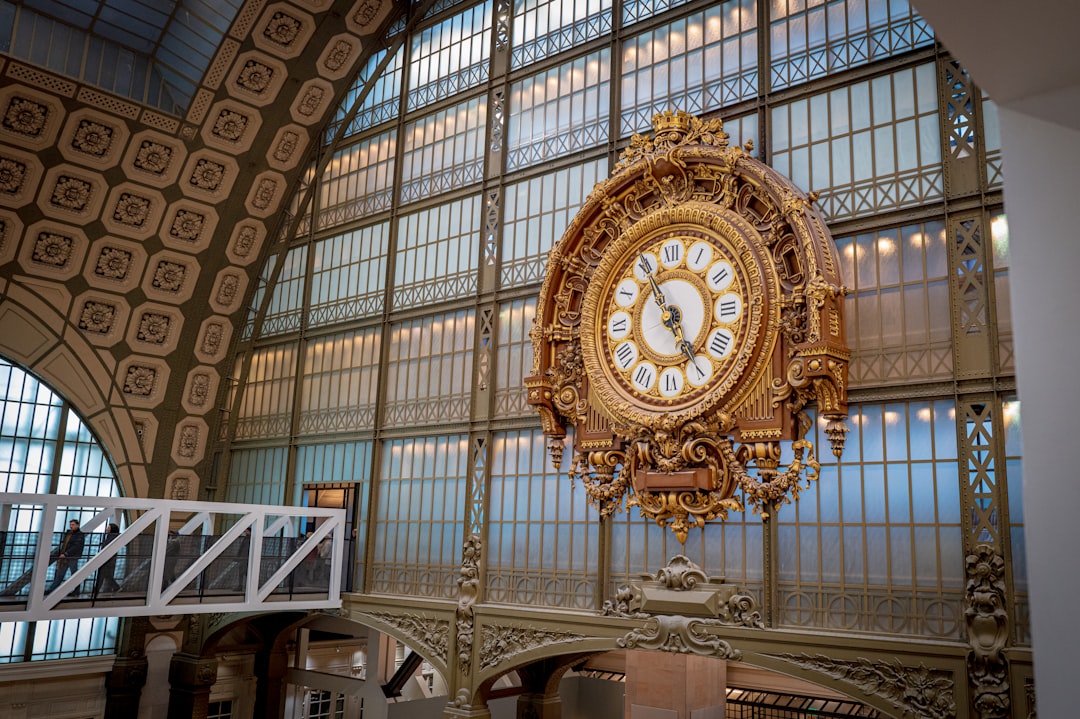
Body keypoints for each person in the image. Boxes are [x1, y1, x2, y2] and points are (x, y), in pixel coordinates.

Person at [48, 518, 86, 592]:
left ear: (77, 525)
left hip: (71, 557)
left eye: (73, 525)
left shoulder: (77, 535)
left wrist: (65, 553)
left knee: (70, 573)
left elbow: (76, 546)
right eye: (70, 525)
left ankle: (53, 589)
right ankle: (52, 589)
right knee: (62, 573)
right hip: (68, 556)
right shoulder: (72, 534)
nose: (71, 526)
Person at [92, 523, 120, 596]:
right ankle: (116, 587)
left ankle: (95, 592)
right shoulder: (112, 537)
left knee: (101, 575)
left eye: (108, 527)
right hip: (108, 560)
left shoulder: (111, 537)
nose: (106, 529)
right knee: (107, 576)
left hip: (107, 560)